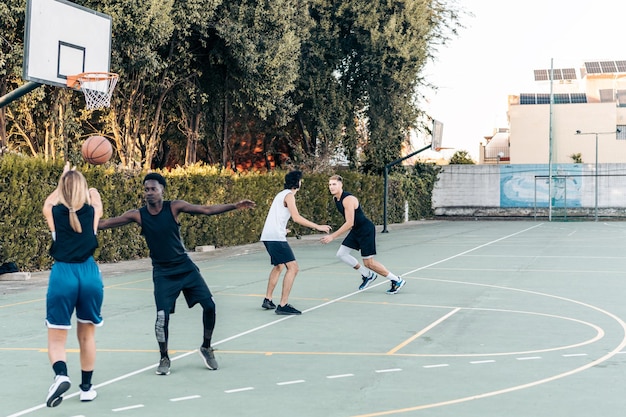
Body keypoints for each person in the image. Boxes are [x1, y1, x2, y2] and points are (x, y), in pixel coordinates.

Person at [98, 173, 255, 375]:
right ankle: (164, 358)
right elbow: (103, 224)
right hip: (163, 273)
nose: (149, 193)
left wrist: (234, 205)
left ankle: (206, 347)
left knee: (210, 305)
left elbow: (206, 210)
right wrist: (74, 217)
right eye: (146, 189)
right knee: (161, 318)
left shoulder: (174, 207)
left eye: (153, 189)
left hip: (185, 268)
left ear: (162, 190)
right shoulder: (138, 215)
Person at [43, 162, 104, 407]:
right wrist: (83, 183)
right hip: (89, 274)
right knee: (87, 337)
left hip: (63, 274)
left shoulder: (55, 213)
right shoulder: (92, 213)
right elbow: (95, 197)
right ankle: (86, 389)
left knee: (57, 338)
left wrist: (64, 177)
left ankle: (61, 375)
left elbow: (49, 202)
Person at [260, 171, 331, 315]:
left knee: (279, 266)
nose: (302, 183)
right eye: (301, 180)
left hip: (269, 236)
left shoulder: (281, 194)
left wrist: (282, 229)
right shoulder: (289, 195)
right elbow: (296, 217)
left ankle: (267, 299)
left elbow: (276, 216)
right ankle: (283, 305)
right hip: (275, 237)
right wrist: (318, 227)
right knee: (293, 268)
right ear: (297, 182)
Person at [321, 174, 406, 294]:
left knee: (369, 263)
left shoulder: (348, 199)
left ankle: (396, 280)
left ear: (341, 185)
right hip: (356, 230)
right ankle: (367, 275)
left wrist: (332, 236)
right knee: (342, 254)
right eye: (329, 184)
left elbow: (349, 222)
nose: (331, 187)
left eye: (334, 184)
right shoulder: (336, 199)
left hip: (365, 230)